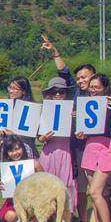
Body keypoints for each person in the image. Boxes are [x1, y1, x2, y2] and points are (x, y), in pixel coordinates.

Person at [42, 34, 94, 222]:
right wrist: (55, 52)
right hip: (73, 144)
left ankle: (94, 220)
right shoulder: (74, 92)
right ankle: (81, 218)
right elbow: (64, 73)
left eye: (84, 77)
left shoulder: (102, 93)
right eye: (79, 78)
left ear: (94, 77)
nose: (81, 80)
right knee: (77, 181)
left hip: (94, 144)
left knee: (93, 184)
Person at [76, 74, 111, 222]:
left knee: (96, 191)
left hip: (107, 147)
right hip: (90, 146)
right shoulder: (87, 104)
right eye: (91, 87)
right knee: (95, 191)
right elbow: (87, 129)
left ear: (105, 88)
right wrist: (81, 134)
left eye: (97, 87)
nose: (93, 90)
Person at [37, 77, 77, 212]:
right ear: (49, 94)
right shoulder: (44, 110)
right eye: (54, 92)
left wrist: (76, 120)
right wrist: (42, 138)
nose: (58, 94)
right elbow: (38, 137)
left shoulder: (73, 110)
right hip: (49, 151)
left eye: (61, 91)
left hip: (66, 151)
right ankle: (48, 214)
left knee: (67, 184)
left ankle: (67, 215)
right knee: (47, 183)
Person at [0, 137, 43, 222]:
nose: (15, 153)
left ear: (23, 148)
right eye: (11, 151)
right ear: (7, 153)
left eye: (17, 149)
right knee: (11, 216)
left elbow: (44, 181)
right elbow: (7, 188)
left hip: (33, 201)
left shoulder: (34, 164)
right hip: (13, 202)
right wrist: (2, 186)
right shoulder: (6, 167)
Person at [0, 76, 38, 161]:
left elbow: (31, 136)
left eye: (15, 89)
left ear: (24, 91)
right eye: (10, 87)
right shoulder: (6, 107)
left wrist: (13, 134)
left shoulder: (32, 109)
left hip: (25, 151)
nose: (11, 91)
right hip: (8, 150)